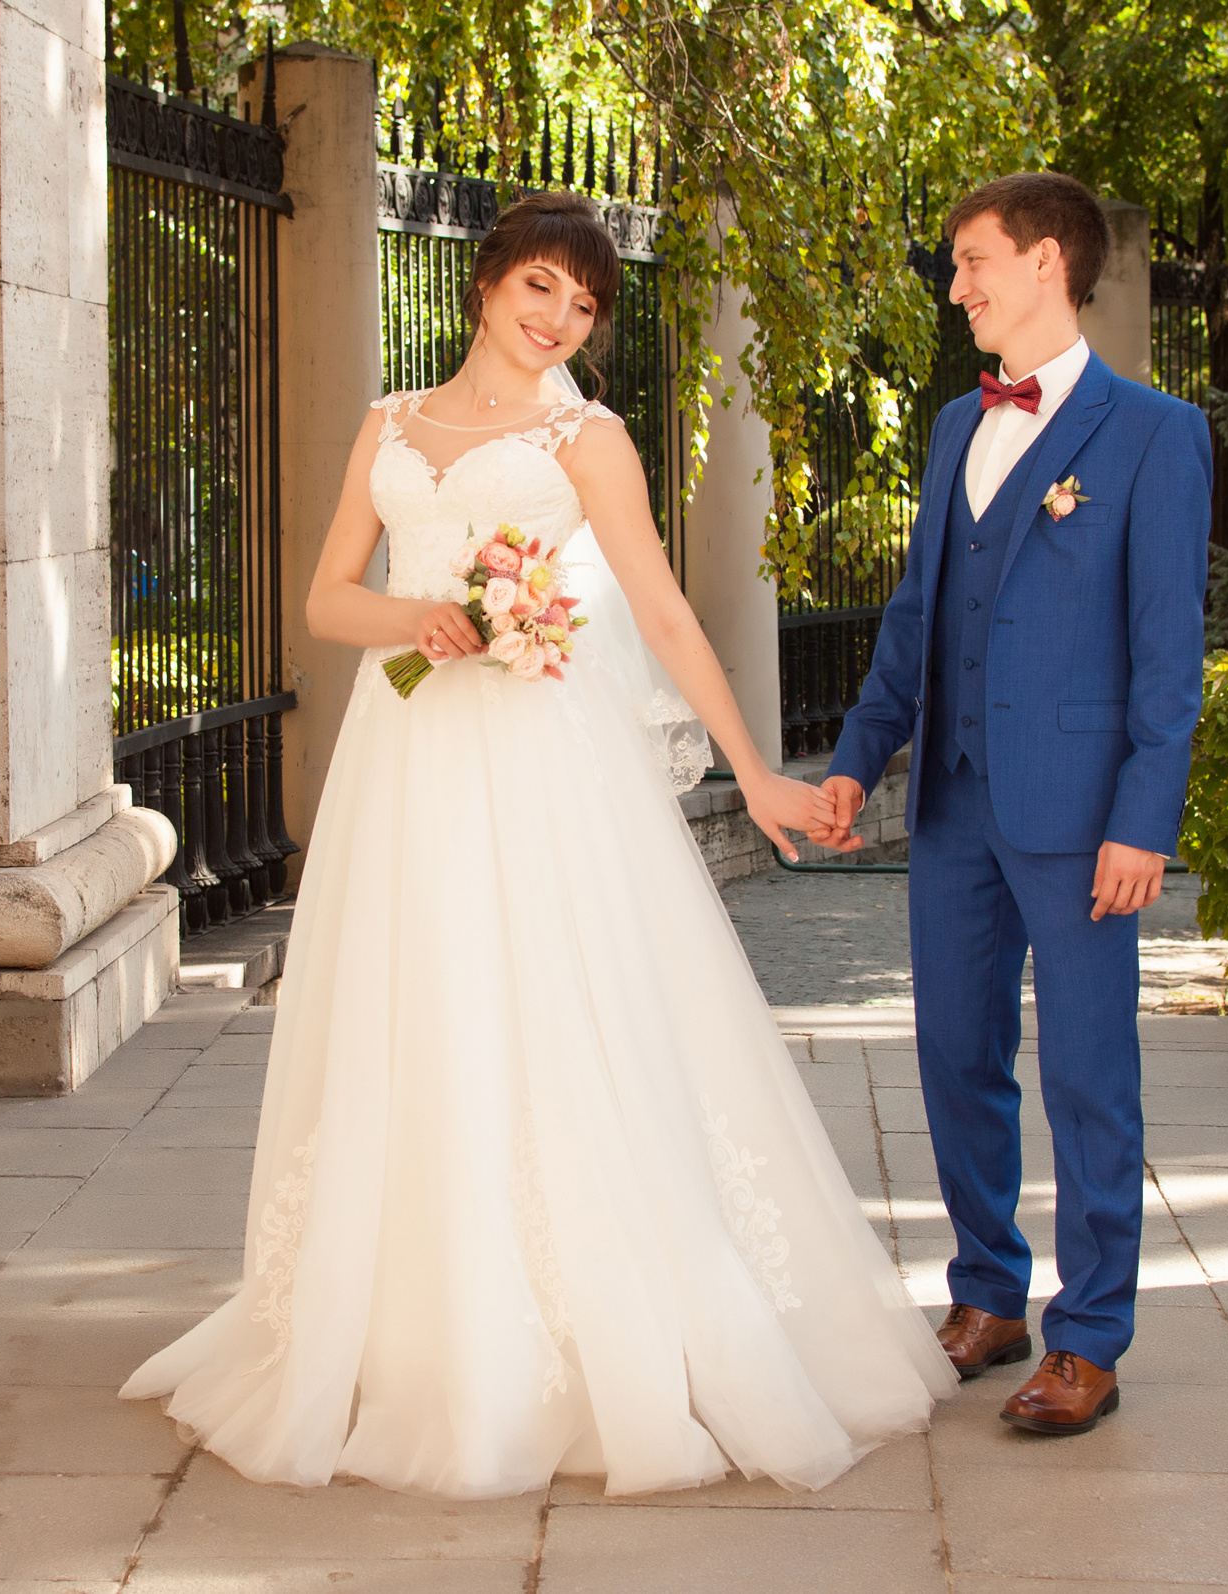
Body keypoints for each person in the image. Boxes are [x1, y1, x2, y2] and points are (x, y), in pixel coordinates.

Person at [120, 190, 957, 1498]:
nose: (559, 318)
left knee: (558, 1011)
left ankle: (581, 1329)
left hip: (542, 760)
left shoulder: (591, 436)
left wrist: (756, 775)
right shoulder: (389, 423)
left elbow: (669, 613)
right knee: (417, 1011)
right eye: (540, 291)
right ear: (486, 284)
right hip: (409, 756)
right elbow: (326, 596)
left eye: (583, 304)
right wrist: (425, 615)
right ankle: (407, 1323)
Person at [814, 172, 1211, 1435]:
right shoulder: (952, 428)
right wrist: (856, 758)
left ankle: (1089, 1337)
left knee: (1090, 1074)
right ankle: (987, 1293)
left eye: (972, 260)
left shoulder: (1155, 434)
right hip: (952, 806)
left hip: (1087, 812)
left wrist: (1146, 816)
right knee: (955, 1059)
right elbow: (916, 621)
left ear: (1046, 262)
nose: (957, 283)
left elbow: (1168, 650)